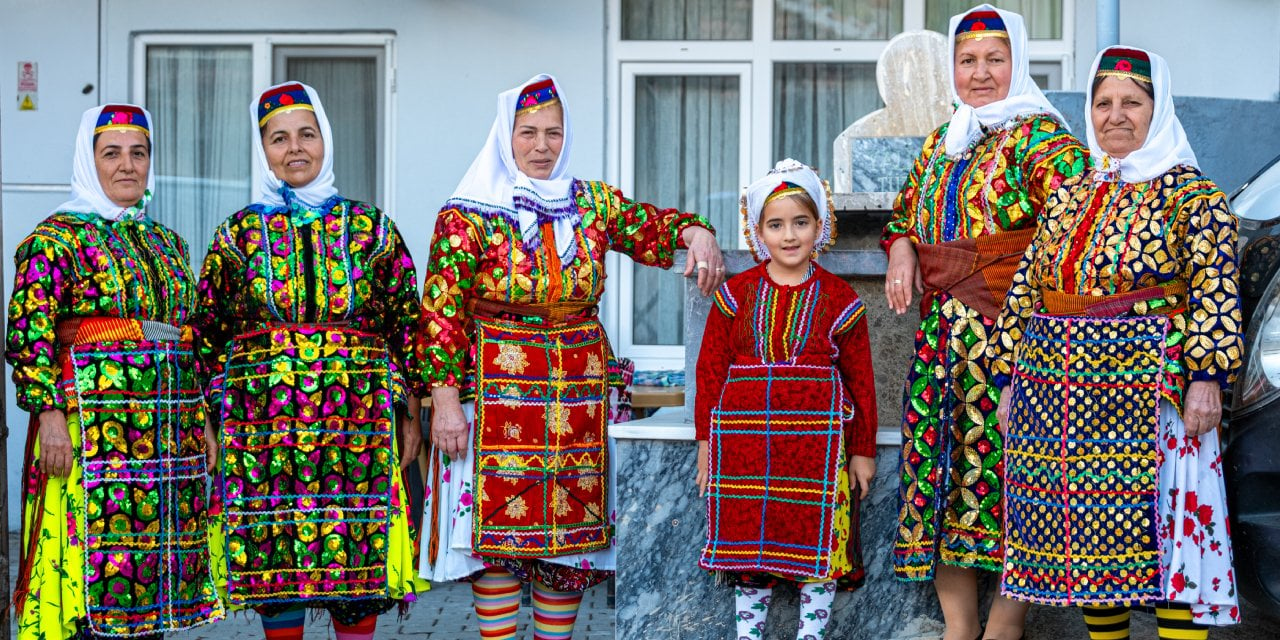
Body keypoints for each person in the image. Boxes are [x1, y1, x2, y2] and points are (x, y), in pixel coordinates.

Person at [418, 73, 724, 640]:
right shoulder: (467, 214)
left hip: (578, 394)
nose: (542, 146)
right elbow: (439, 312)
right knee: (498, 545)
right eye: (528, 132)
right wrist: (443, 402)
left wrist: (696, 233)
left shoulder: (592, 202)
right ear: (504, 137)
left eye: (553, 133)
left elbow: (649, 226)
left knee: (569, 543)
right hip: (494, 395)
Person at [990, 46, 1242, 639]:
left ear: (1160, 108)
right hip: (1063, 388)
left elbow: (1215, 288)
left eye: (1133, 101)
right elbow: (1029, 286)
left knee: (1169, 543)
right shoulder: (1070, 196)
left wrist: (1207, 378)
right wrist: (1007, 381)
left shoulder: (1195, 199)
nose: (1115, 116)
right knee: (1095, 541)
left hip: (1155, 389)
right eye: (1103, 103)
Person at [191, 82, 427, 640]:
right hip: (262, 429)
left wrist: (412, 412)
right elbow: (207, 331)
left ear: (325, 139)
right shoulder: (237, 234)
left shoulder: (372, 229)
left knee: (355, 563)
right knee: (275, 564)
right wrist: (204, 420)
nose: (295, 149)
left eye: (306, 134)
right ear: (263, 150)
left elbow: (404, 325)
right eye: (278, 139)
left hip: (357, 425)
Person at [883, 5, 1087, 640]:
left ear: (1017, 64)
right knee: (942, 479)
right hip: (941, 346)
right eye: (967, 60)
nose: (979, 73)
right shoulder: (945, 141)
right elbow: (904, 212)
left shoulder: (1044, 142)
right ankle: (959, 627)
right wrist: (902, 248)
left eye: (994, 59)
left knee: (1020, 481)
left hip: (1014, 343)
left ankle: (1004, 627)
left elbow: (1078, 234)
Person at [7, 104, 224, 639]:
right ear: (89, 159)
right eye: (112, 153)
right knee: (90, 578)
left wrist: (207, 423)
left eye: (139, 153)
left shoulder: (167, 243)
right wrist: (50, 417)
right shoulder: (55, 240)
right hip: (89, 437)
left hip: (165, 442)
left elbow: (189, 338)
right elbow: (27, 335)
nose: (127, 166)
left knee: (147, 583)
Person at [694, 159, 877, 640]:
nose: (790, 235)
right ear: (758, 231)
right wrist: (705, 446)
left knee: (818, 554)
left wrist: (862, 450)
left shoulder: (840, 300)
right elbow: (711, 373)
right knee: (749, 552)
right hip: (744, 453)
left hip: (818, 454)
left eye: (801, 222)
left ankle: (811, 635)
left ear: (821, 226)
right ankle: (748, 635)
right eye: (776, 225)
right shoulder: (735, 296)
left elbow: (860, 380)